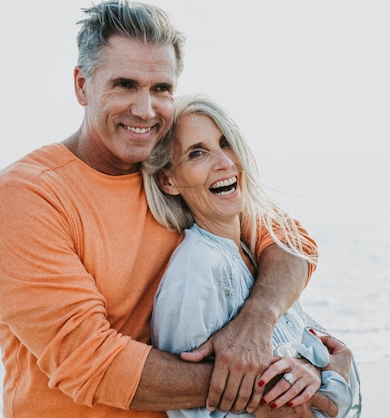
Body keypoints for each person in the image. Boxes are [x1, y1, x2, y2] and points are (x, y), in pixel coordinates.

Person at [0, 1, 347, 417]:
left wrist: (257, 324)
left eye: (161, 89)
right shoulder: (25, 196)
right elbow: (89, 363)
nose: (145, 110)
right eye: (124, 85)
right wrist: (274, 386)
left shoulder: (177, 175)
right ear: (82, 85)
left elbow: (293, 243)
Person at [143, 94, 361, 418]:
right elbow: (193, 411)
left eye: (225, 143)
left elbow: (329, 358)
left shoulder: (254, 252)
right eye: (197, 153)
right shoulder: (197, 272)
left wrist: (313, 372)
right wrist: (331, 383)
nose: (225, 163)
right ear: (168, 179)